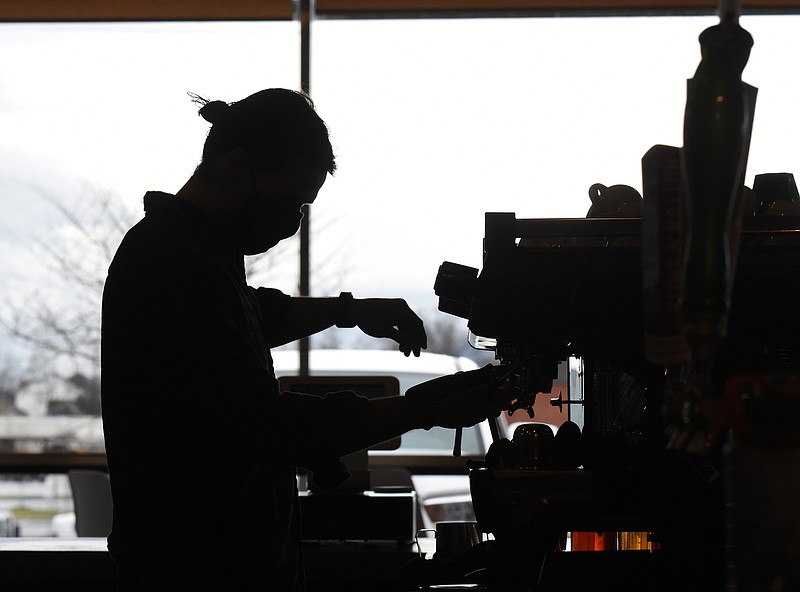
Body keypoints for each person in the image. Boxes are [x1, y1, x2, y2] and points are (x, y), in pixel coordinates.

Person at [100, 88, 513, 591]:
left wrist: (350, 310)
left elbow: (254, 315)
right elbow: (265, 426)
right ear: (235, 165)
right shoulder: (172, 263)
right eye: (285, 203)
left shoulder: (198, 252)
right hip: (195, 567)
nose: (290, 225)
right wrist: (422, 408)